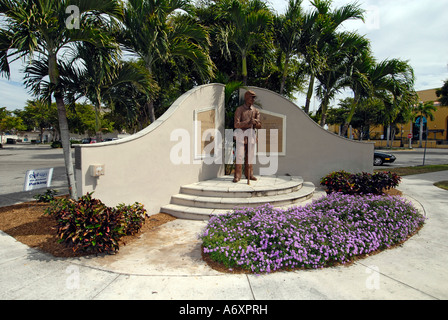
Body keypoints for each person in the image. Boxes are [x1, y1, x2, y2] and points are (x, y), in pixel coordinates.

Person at [233, 90, 262, 183]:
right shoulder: (240, 109)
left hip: (251, 136)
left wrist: (255, 123)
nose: (253, 99)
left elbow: (260, 126)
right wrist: (248, 123)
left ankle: (249, 174)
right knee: (240, 156)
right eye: (251, 97)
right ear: (246, 98)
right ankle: (237, 176)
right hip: (241, 136)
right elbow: (236, 124)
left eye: (254, 98)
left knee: (250, 157)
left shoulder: (256, 111)